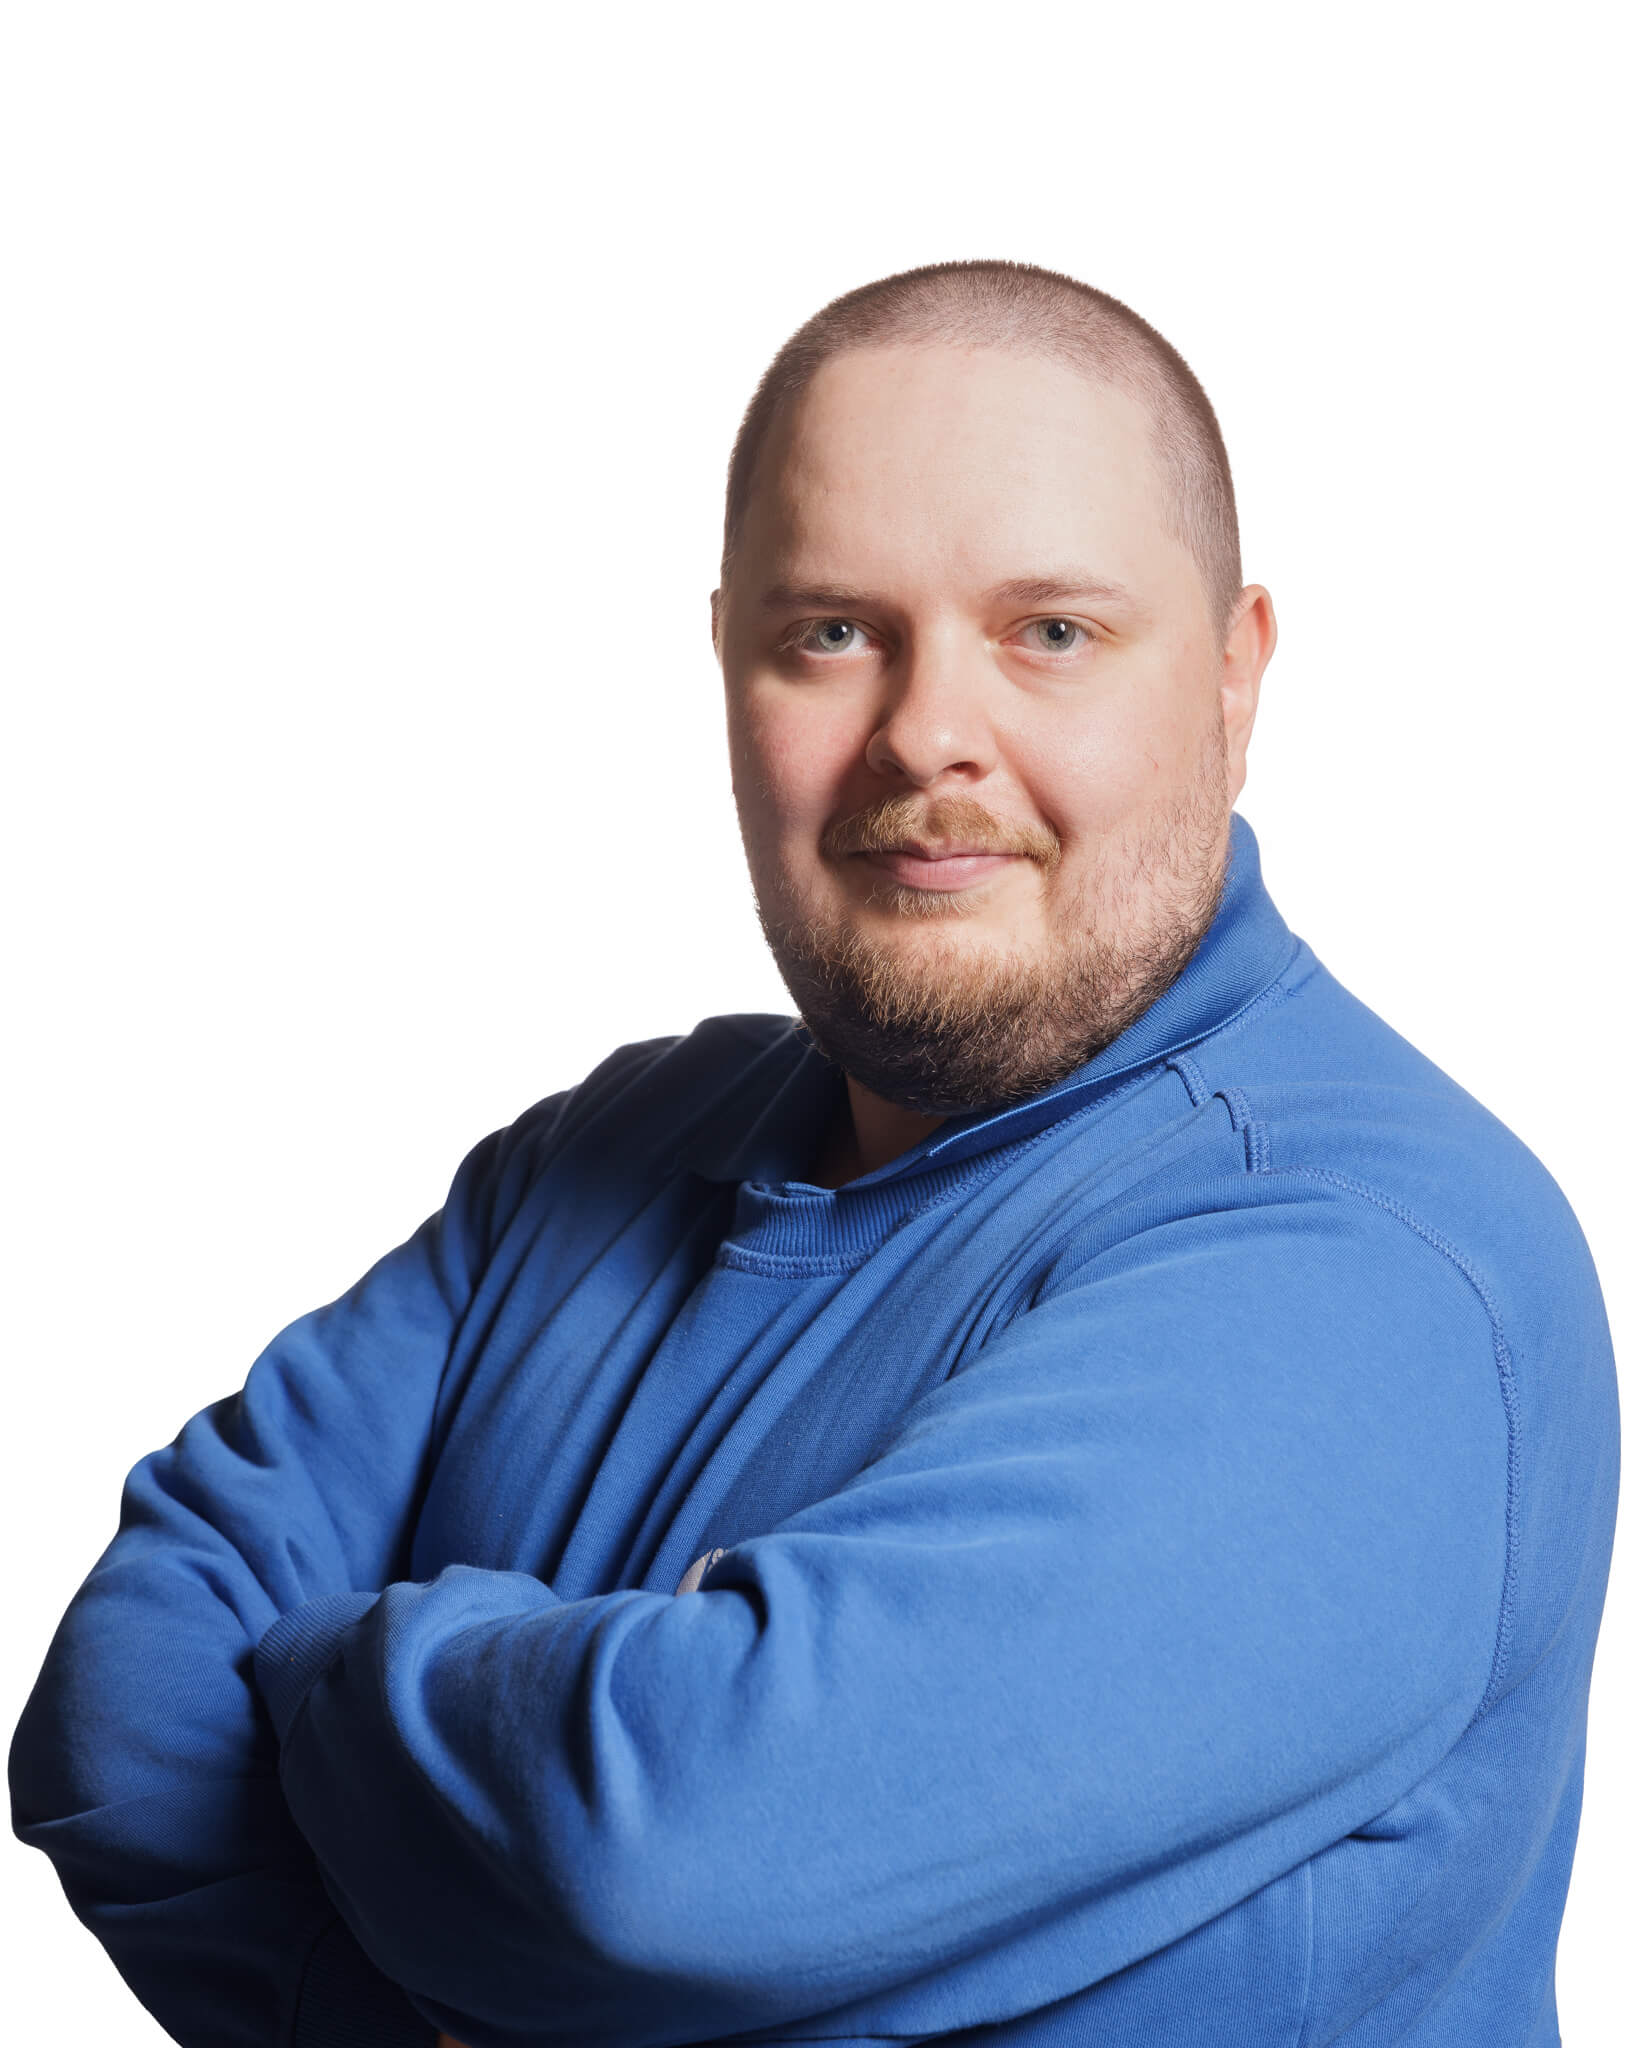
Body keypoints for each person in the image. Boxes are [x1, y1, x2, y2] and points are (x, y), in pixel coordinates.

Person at [8, 258, 1619, 2048]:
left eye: (1050, 632)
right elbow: (117, 1719)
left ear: (1234, 678)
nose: (927, 732)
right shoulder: (595, 1157)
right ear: (728, 663)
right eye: (833, 633)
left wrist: (322, 1672)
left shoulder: (1375, 1267)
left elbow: (661, 1857)